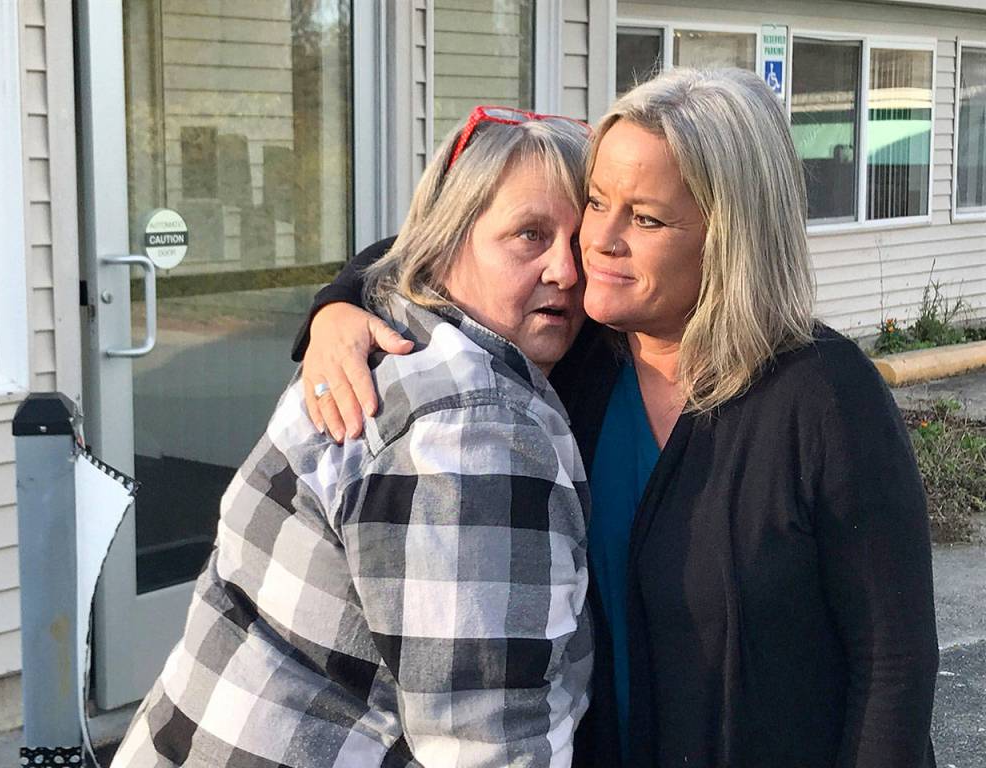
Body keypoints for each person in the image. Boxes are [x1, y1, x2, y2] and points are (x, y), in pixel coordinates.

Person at [295, 68, 940, 768]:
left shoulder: (825, 397)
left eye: (646, 218)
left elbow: (894, 663)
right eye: (596, 201)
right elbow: (434, 245)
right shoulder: (580, 357)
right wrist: (338, 306)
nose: (597, 239)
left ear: (732, 238)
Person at [111, 108, 596, 767]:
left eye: (583, 243)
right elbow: (488, 742)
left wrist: (339, 299)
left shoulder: (390, 328)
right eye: (529, 235)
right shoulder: (471, 431)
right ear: (446, 241)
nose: (565, 270)